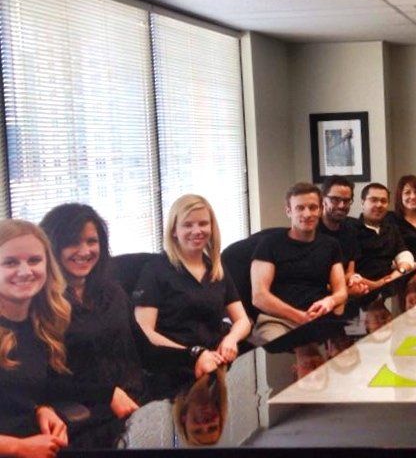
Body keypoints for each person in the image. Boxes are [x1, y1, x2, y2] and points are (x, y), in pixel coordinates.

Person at [0, 220, 133, 457]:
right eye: (10, 262)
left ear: (48, 266)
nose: (25, 271)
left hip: (39, 441)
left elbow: (18, 388)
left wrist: (39, 408)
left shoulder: (37, 322)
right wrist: (17, 447)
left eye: (34, 260)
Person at [39, 204, 142, 443]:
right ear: (53, 246)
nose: (84, 251)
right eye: (73, 242)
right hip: (84, 418)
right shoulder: (42, 303)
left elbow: (142, 348)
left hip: (133, 405)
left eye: (91, 241)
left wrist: (194, 354)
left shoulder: (112, 291)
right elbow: (42, 381)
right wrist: (106, 395)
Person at [133, 194, 252, 377]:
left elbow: (242, 321)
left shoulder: (215, 267)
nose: (197, 231)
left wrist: (231, 339)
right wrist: (193, 354)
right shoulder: (155, 270)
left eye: (203, 223)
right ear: (174, 230)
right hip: (178, 363)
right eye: (188, 225)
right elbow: (144, 333)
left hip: (218, 358)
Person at [250, 183, 349, 342]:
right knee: (281, 353)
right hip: (278, 321)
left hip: (319, 319)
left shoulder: (331, 245)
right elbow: (259, 297)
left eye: (313, 207)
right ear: (288, 211)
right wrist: (300, 317)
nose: (307, 213)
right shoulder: (269, 244)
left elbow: (341, 292)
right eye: (300, 208)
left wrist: (329, 301)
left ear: (321, 209)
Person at [354, 183, 415, 290]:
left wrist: (399, 271)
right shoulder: (351, 229)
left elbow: (404, 254)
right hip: (362, 292)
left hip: (390, 289)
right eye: (373, 200)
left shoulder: (391, 228)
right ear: (363, 202)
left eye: (383, 201)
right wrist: (375, 284)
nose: (379, 205)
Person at [318, 176, 368, 296]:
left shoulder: (350, 229)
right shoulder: (312, 231)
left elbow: (350, 271)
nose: (341, 205)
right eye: (335, 199)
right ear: (323, 199)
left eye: (346, 201)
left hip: (341, 295)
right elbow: (315, 282)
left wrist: (352, 280)